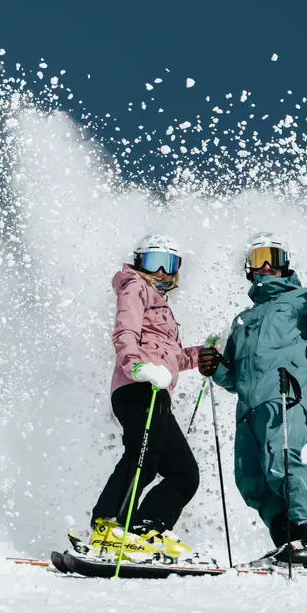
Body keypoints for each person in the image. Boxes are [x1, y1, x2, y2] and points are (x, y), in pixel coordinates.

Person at [198, 233, 307, 567]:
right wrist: (215, 368)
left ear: (286, 264)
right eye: (259, 259)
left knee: (282, 464)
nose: (268, 265)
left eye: (274, 257)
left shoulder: (302, 299)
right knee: (252, 480)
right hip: (248, 410)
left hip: (284, 397)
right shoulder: (242, 320)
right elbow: (235, 378)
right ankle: (292, 543)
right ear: (249, 270)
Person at [86, 234, 205, 561]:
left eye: (171, 264)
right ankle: (108, 525)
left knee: (184, 472)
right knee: (143, 456)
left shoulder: (162, 306)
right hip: (137, 385)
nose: (164, 272)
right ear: (139, 262)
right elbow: (125, 331)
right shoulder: (135, 286)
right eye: (155, 262)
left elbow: (173, 359)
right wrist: (135, 366)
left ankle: (145, 529)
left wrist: (201, 355)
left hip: (157, 389)